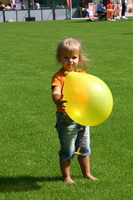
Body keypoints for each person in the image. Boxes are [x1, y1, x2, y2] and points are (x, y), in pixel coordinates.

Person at [51, 38, 98, 184]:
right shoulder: (59, 77)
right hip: (66, 118)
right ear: (59, 58)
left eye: (74, 57)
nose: (70, 61)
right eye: (66, 57)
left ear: (79, 58)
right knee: (68, 150)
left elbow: (88, 91)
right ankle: (66, 177)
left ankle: (87, 174)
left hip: (83, 117)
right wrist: (58, 100)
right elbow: (55, 92)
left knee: (84, 148)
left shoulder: (82, 74)